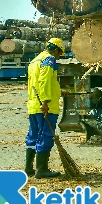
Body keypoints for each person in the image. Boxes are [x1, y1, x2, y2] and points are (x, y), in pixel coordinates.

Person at [25, 38, 67, 179]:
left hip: (33, 105)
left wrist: (60, 91)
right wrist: (45, 101)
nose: (58, 57)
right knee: (46, 135)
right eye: (59, 54)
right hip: (46, 106)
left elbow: (37, 83)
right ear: (55, 50)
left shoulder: (34, 60)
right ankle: (41, 169)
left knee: (33, 135)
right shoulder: (49, 60)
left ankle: (29, 168)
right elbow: (44, 80)